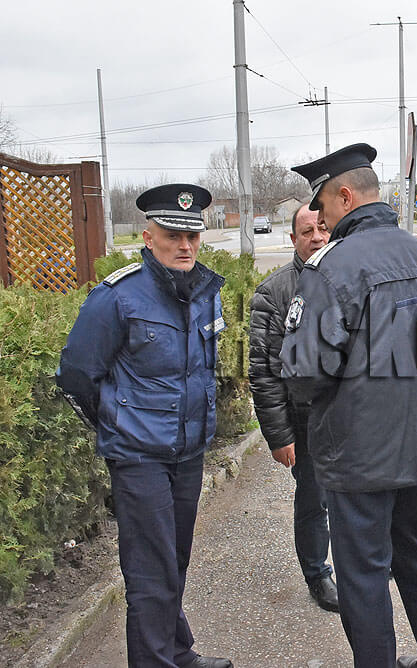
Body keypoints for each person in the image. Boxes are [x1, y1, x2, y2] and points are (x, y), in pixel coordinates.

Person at [280, 144, 417, 668]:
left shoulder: (331, 267)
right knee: (414, 553)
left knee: (362, 573)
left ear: (345, 196)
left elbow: (304, 370)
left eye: (321, 205)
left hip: (358, 453)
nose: (319, 219)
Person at [57, 185, 232, 668]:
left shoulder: (204, 292)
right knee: (151, 573)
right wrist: (119, 423)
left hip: (188, 452)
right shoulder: (117, 296)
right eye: (174, 235)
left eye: (192, 236)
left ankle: (176, 650)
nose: (185, 246)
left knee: (174, 560)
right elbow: (76, 375)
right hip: (139, 457)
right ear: (148, 236)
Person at [248, 204, 339, 612]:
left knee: (357, 495)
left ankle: (361, 561)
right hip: (306, 420)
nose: (317, 237)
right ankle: (317, 573)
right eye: (307, 231)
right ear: (293, 239)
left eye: (323, 228)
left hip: (350, 416)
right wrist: (278, 435)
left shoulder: (350, 277)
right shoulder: (274, 292)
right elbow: (263, 371)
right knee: (314, 500)